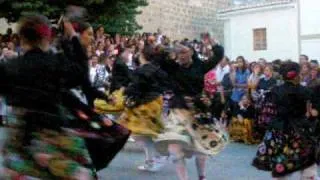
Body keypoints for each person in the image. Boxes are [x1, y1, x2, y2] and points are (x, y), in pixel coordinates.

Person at [0, 14, 103, 179]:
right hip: (52, 128)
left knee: (14, 169)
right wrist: (73, 38)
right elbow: (81, 74)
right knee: (79, 171)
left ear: (21, 37)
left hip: (20, 132)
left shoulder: (9, 67)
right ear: (46, 37)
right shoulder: (56, 63)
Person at [154, 43, 227, 180]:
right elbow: (159, 59)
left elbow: (218, 55)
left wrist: (211, 42)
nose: (181, 55)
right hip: (178, 111)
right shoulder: (173, 67)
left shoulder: (201, 66)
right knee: (174, 147)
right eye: (179, 53)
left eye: (184, 52)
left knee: (201, 149)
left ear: (191, 52)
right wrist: (167, 49)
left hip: (198, 111)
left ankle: (201, 176)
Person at [252, 61, 319, 180]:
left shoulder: (275, 90)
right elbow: (313, 113)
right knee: (308, 166)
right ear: (297, 75)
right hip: (300, 130)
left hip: (278, 131)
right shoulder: (305, 91)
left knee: (280, 166)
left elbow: (265, 113)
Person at [118, 44, 169, 171]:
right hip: (155, 102)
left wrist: (125, 91)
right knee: (146, 134)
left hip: (145, 105)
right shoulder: (157, 69)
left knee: (139, 132)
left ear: (142, 55)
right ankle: (151, 160)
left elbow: (137, 87)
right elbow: (165, 82)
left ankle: (159, 156)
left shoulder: (141, 70)